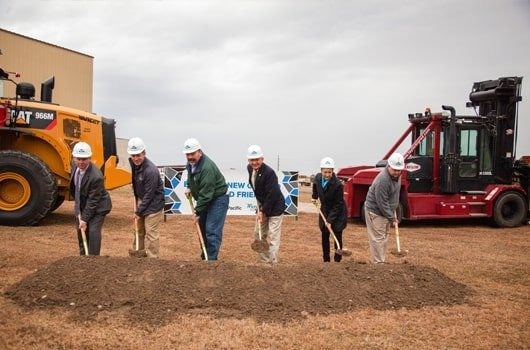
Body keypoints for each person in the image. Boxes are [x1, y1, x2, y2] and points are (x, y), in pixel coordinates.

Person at [183, 138, 229, 261]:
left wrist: (198, 212)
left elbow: (206, 194)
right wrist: (189, 187)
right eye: (188, 154)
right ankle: (205, 257)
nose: (190, 157)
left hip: (217, 199)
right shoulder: (191, 164)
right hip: (206, 200)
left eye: (193, 154)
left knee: (211, 230)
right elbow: (191, 177)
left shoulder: (207, 168)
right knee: (202, 229)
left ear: (200, 152)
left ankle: (211, 262)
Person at [69, 142, 112, 255]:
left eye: (84, 159)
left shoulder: (96, 177)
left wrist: (84, 219)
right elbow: (77, 188)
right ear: (74, 158)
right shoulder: (74, 165)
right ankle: (83, 258)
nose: (81, 162)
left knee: (93, 231)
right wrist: (78, 209)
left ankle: (93, 261)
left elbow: (93, 201)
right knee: (81, 231)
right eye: (78, 159)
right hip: (83, 203)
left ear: (90, 158)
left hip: (99, 207)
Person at [247, 145, 286, 264]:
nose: (254, 162)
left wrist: (263, 211)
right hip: (264, 206)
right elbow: (258, 192)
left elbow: (272, 195)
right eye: (252, 160)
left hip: (275, 207)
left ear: (262, 159)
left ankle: (272, 262)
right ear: (248, 160)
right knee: (258, 234)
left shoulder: (269, 173)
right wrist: (260, 209)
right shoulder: (250, 168)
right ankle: (264, 262)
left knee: (273, 236)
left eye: (257, 159)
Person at [128, 137, 165, 258]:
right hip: (143, 200)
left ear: (144, 153)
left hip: (154, 204)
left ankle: (153, 259)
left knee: (150, 233)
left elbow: (149, 195)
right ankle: (137, 255)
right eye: (133, 155)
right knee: (138, 231)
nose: (135, 158)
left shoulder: (151, 171)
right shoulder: (135, 165)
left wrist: (138, 211)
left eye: (138, 155)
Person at [364, 152, 404, 263]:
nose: (397, 172)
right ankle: (378, 265)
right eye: (394, 169)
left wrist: (394, 207)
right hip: (376, 212)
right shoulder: (383, 180)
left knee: (383, 238)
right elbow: (382, 203)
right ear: (389, 166)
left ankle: (380, 262)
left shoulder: (398, 176)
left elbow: (395, 193)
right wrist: (392, 217)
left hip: (386, 211)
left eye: (399, 170)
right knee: (378, 239)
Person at [311, 157, 348, 262]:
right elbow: (315, 186)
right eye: (325, 172)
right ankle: (326, 260)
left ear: (333, 171)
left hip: (338, 213)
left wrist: (330, 220)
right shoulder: (318, 178)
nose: (327, 174)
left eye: (329, 172)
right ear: (321, 171)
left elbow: (338, 204)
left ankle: (337, 260)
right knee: (325, 235)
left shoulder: (337, 185)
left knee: (337, 235)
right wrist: (314, 197)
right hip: (324, 210)